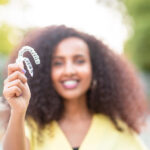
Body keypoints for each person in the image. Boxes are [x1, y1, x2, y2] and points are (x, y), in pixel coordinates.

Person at [1, 25, 149, 150]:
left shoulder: (118, 129)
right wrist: (18, 111)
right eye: (58, 63)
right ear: (46, 73)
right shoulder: (32, 127)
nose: (69, 70)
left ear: (95, 69)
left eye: (79, 61)